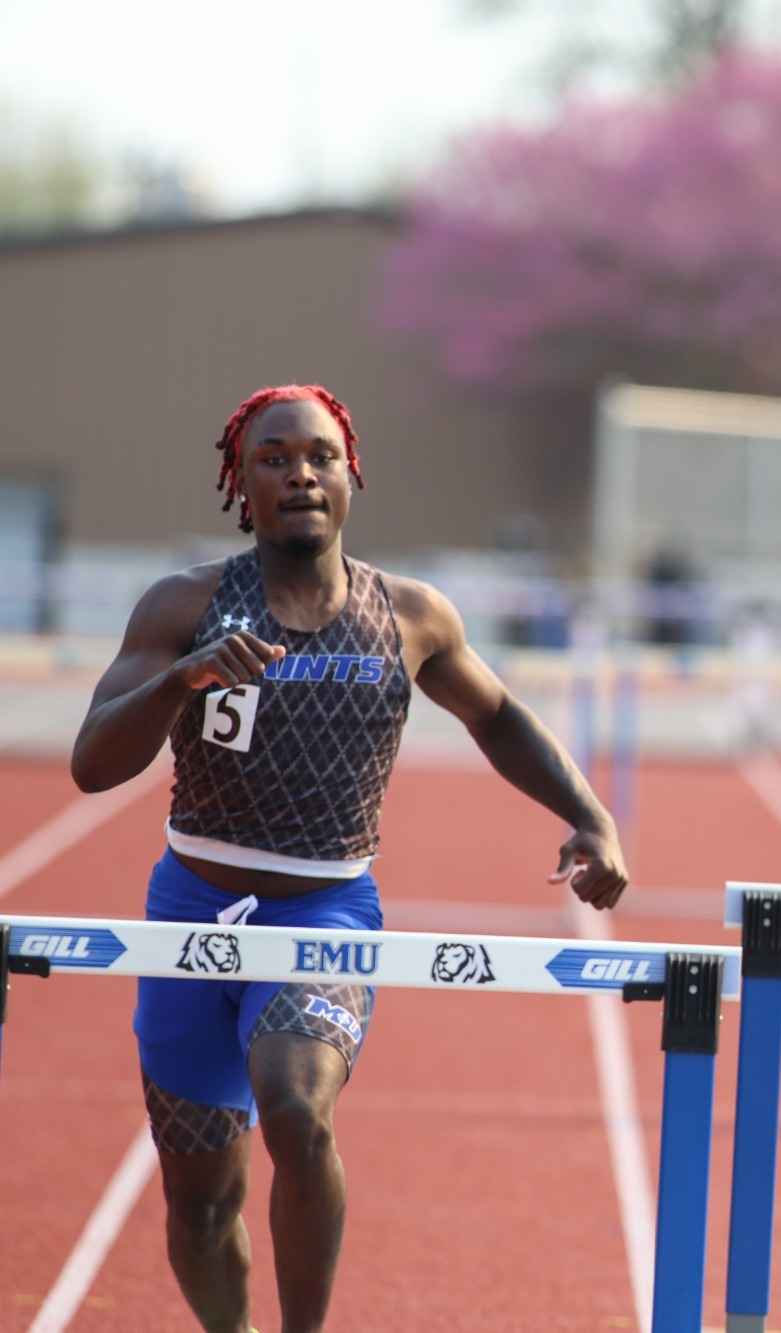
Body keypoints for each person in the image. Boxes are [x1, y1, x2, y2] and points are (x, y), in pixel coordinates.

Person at [70, 385, 627, 1333]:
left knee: (296, 1106)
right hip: (191, 913)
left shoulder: (406, 613)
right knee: (201, 1207)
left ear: (351, 471)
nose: (301, 474)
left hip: (324, 913)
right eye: (276, 458)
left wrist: (590, 816)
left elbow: (495, 716)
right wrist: (178, 681)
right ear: (242, 484)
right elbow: (91, 764)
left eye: (320, 455)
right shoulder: (186, 604)